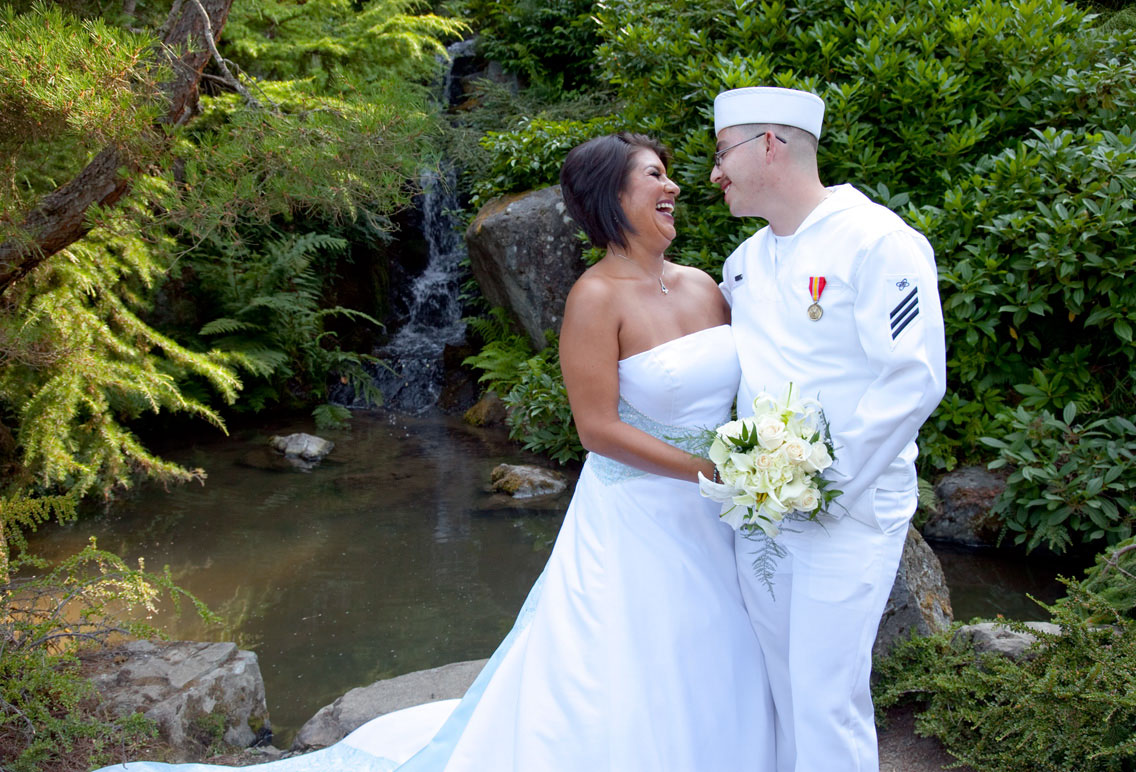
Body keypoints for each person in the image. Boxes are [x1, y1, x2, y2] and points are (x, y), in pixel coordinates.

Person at [94, 132, 774, 772]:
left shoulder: (705, 286)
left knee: (716, 651)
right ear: (610, 197)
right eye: (655, 176)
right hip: (643, 520)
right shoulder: (594, 300)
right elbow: (595, 429)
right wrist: (708, 470)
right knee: (633, 665)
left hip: (718, 514)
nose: (675, 187)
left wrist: (764, 458)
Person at [708, 86, 947, 772]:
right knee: (780, 688)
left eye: (724, 153)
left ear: (770, 146)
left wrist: (825, 481)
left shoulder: (879, 241)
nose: (715, 172)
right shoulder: (743, 261)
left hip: (850, 509)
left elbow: (914, 378)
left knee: (824, 695)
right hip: (758, 508)